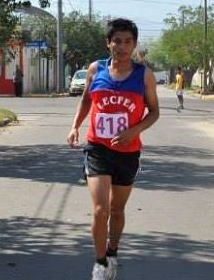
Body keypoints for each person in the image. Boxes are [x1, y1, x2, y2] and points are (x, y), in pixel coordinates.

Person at [66, 18, 159, 280]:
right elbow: (86, 100)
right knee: (100, 210)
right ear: (108, 43)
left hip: (128, 151)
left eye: (128, 41)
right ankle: (99, 264)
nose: (122, 46)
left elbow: (154, 113)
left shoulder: (144, 75)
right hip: (97, 148)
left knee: (117, 211)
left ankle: (113, 251)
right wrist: (75, 127)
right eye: (117, 40)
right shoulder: (96, 70)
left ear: (134, 45)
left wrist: (133, 131)